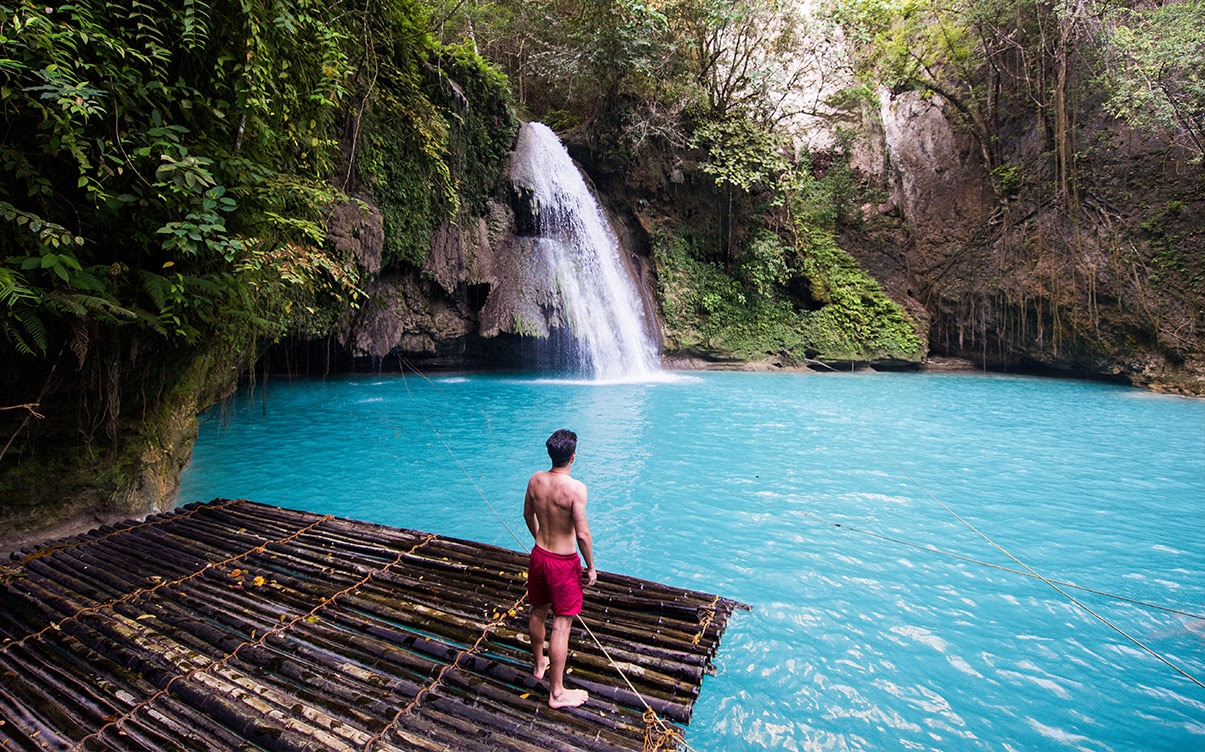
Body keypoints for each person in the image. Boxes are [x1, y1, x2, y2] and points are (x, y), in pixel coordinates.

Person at [524, 428, 596, 709]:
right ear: (573, 457)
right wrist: (591, 567)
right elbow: (582, 535)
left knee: (538, 611)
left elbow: (526, 514)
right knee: (562, 626)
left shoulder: (535, 480)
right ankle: (556, 693)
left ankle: (539, 662)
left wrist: (538, 539)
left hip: (540, 555)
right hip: (563, 563)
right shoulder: (576, 489)